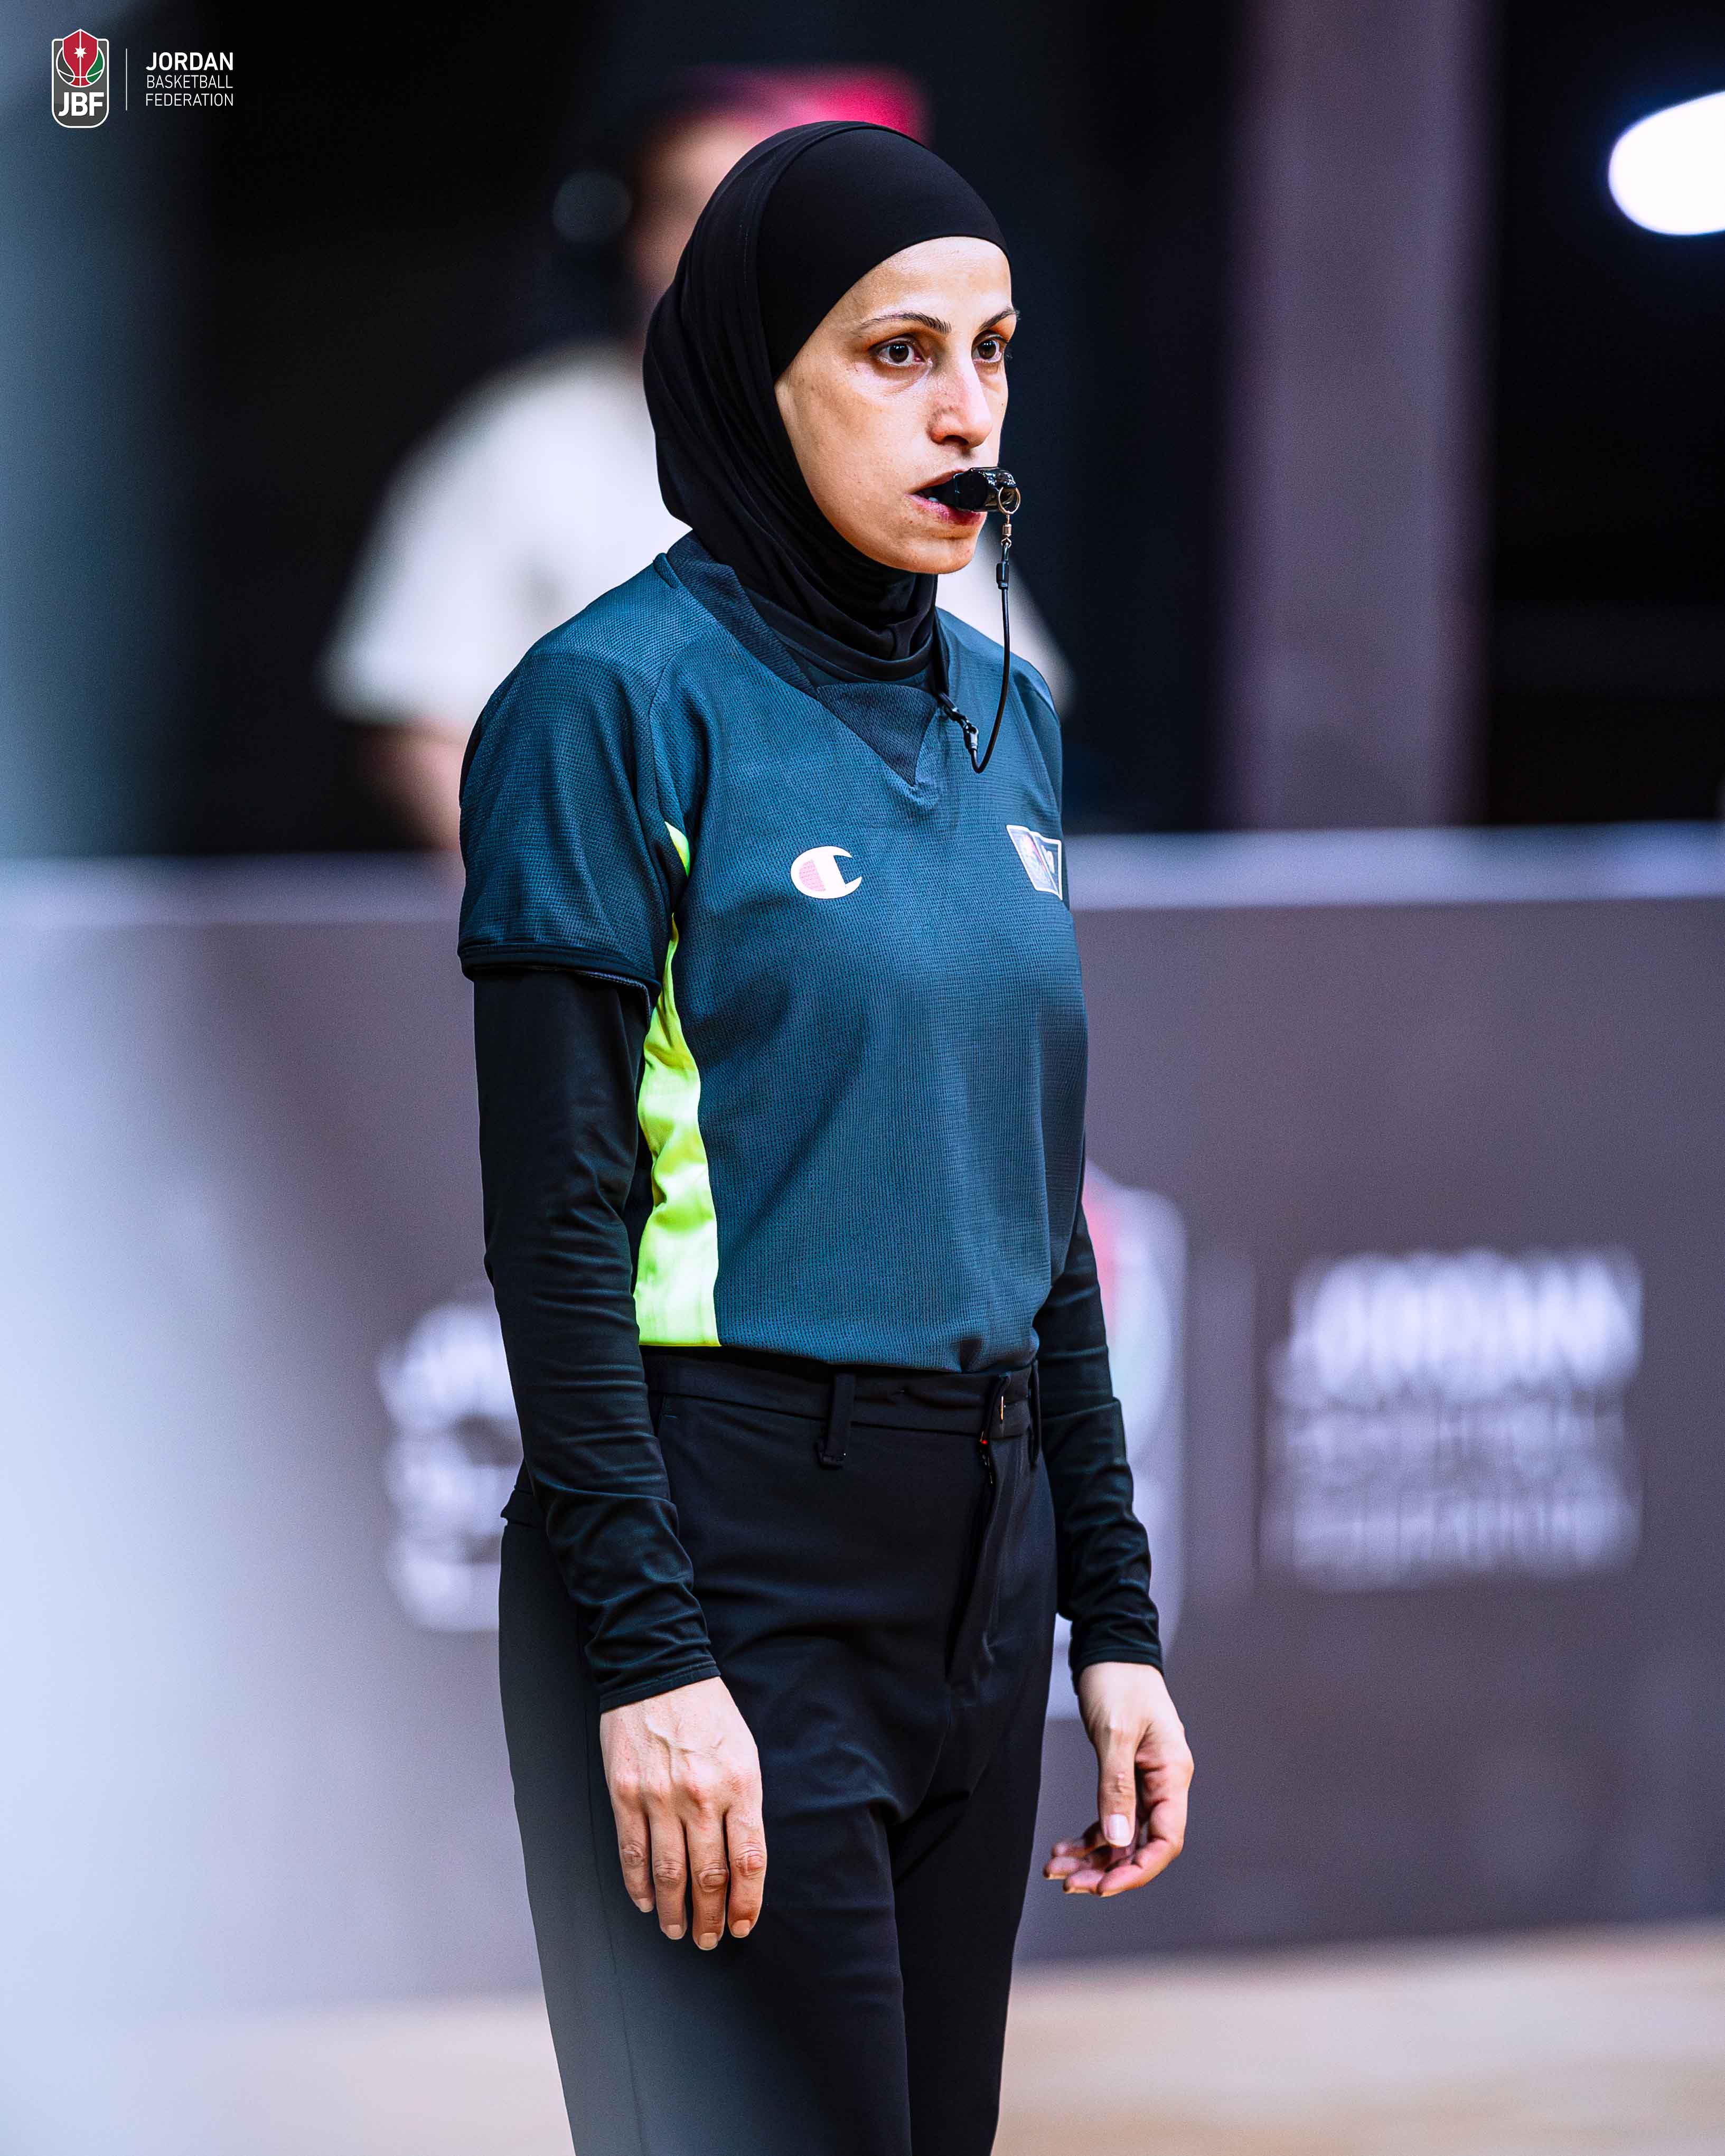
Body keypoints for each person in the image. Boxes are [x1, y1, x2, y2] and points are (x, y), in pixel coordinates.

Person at [459, 121, 1191, 2156]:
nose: (965, 412)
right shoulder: (607, 704)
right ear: (752, 377)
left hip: (978, 1565)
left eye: (993, 350)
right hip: (726, 1558)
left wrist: (1110, 1620)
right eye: (894, 353)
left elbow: (1028, 1210)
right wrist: (649, 1656)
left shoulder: (1005, 715)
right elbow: (556, 1223)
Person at [325, 71, 1069, 850]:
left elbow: (1003, 712)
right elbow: (420, 723)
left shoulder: (885, 447)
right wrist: (575, 896)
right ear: (624, 237)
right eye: (690, 207)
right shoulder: (517, 443)